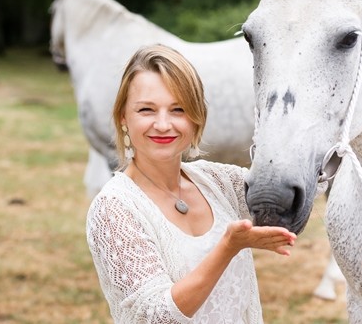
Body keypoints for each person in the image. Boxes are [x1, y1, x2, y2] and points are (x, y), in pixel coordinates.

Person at [86, 44, 296, 323]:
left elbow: (296, 187)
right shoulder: (113, 209)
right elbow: (156, 317)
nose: (163, 124)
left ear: (196, 118)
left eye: (178, 109)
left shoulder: (217, 182)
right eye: (147, 109)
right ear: (123, 117)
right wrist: (228, 248)